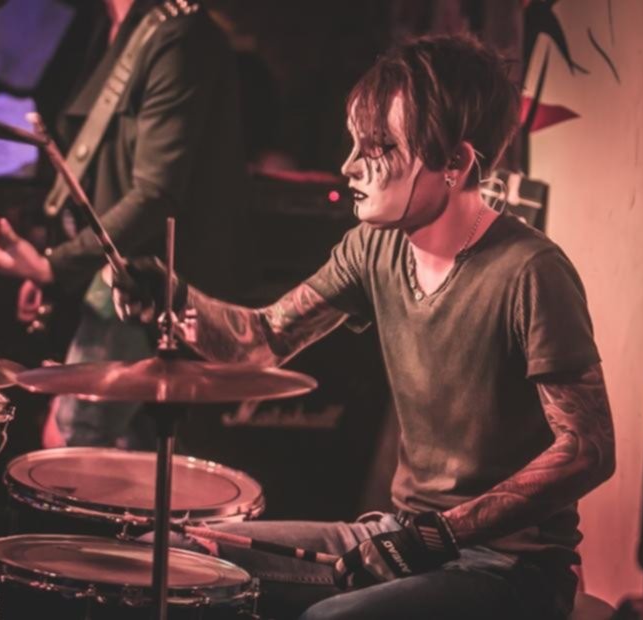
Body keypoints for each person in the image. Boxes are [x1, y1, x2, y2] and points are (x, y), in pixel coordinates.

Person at [114, 34, 615, 620]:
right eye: (356, 142)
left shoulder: (531, 272)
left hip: (509, 567)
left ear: (455, 163)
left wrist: (439, 536)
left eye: (379, 148)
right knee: (165, 554)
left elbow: (588, 449)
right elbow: (263, 341)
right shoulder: (373, 247)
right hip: (403, 533)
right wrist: (173, 298)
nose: (350, 165)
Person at [0, 0, 246, 448]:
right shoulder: (108, 29)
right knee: (113, 451)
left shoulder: (179, 36)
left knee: (70, 441)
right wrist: (55, 263)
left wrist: (56, 264)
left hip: (145, 289)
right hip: (109, 280)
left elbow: (154, 194)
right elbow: (101, 178)